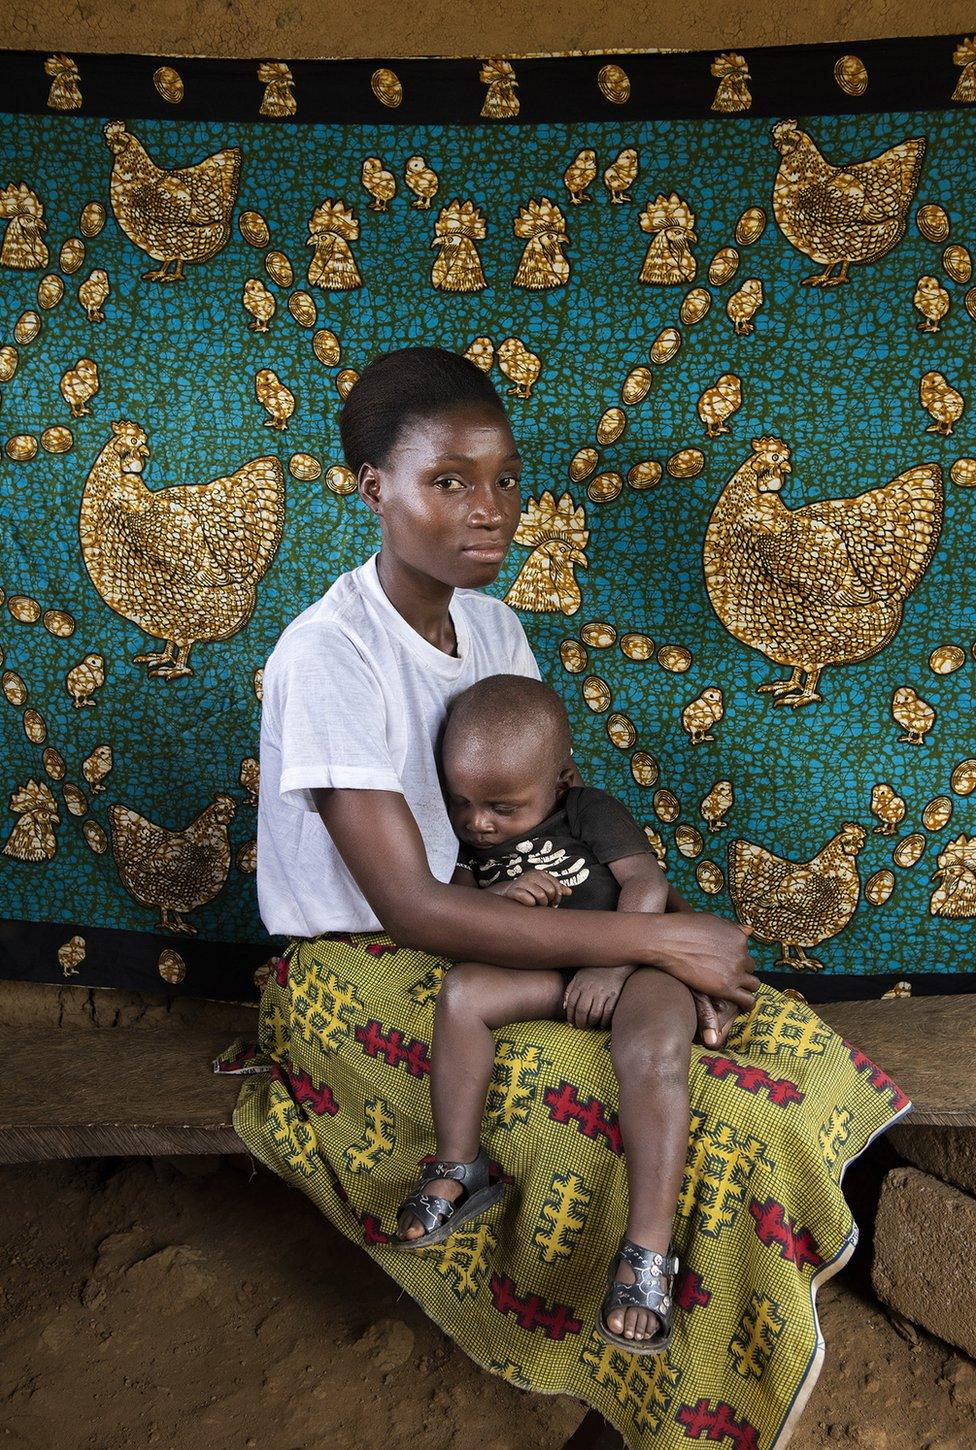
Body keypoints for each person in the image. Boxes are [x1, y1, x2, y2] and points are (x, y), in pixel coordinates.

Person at [222, 344, 911, 1450]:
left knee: (766, 1058)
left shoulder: (493, 629)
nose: (488, 510)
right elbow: (412, 910)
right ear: (372, 491)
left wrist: (633, 942)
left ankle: (660, 1365)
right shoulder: (330, 654)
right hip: (361, 964)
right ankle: (634, 1392)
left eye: (503, 478)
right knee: (650, 1114)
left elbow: (546, 819)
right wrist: (653, 943)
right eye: (448, 481)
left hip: (510, 914)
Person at [394, 671, 720, 1356]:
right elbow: (459, 912)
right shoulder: (463, 841)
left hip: (636, 967)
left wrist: (613, 962)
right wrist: (502, 899)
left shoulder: (587, 811)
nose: (478, 822)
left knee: (652, 1056)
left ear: (563, 778)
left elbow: (647, 883)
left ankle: (646, 1252)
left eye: (502, 808)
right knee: (461, 995)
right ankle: (458, 1167)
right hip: (549, 972)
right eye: (462, 802)